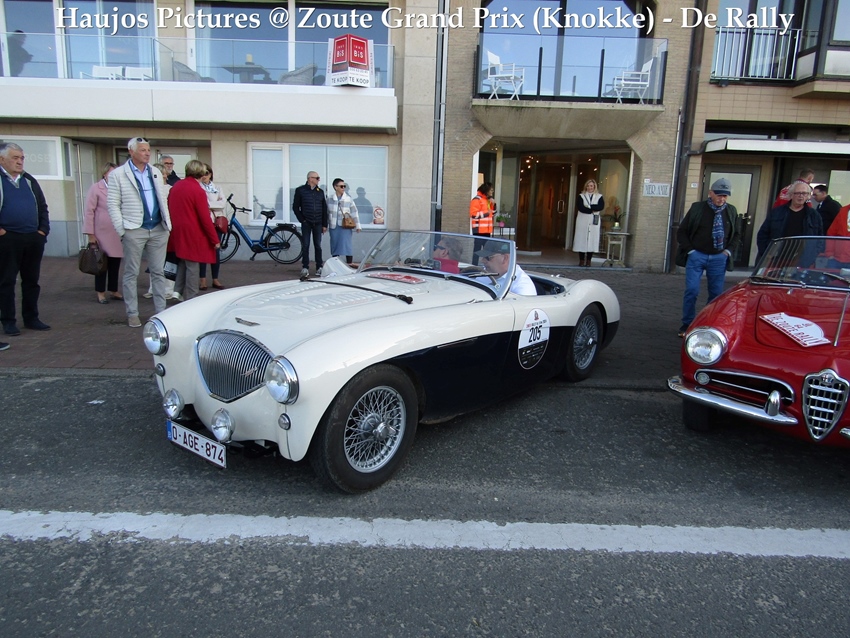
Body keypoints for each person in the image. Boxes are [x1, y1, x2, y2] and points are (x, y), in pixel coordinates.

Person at [108, 136, 172, 328]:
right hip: (134, 228)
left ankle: (161, 313)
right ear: (131, 151)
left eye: (148, 150)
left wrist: (168, 225)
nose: (147, 153)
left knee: (158, 272)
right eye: (143, 150)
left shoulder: (155, 172)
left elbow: (162, 199)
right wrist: (122, 230)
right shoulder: (118, 174)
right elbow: (113, 204)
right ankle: (132, 314)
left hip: (158, 228)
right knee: (131, 272)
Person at [676, 178, 741, 338]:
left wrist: (728, 251)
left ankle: (708, 323)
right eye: (719, 195)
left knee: (716, 294)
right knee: (692, 290)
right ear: (710, 193)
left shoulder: (731, 211)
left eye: (725, 196)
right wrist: (690, 250)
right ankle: (687, 324)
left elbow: (737, 234)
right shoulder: (698, 208)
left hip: (719, 257)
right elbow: (682, 231)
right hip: (697, 255)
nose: (721, 199)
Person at [0, 142, 51, 337]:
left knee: (31, 281)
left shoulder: (29, 180)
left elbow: (42, 206)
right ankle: (8, 321)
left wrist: (42, 231)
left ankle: (31, 318)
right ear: (2, 159)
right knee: (6, 281)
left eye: (22, 158)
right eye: (15, 158)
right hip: (8, 239)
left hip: (32, 238)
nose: (20, 161)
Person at [166, 160, 220, 301]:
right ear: (201, 173)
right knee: (192, 265)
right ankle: (191, 298)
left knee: (183, 261)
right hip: (193, 232)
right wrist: (214, 239)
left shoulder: (176, 187)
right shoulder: (197, 191)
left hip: (177, 229)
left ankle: (177, 291)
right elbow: (205, 218)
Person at [83, 162, 123, 304]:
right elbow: (89, 211)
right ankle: (100, 292)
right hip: (101, 233)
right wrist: (90, 234)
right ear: (105, 174)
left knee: (115, 263)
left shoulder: (120, 188)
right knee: (101, 263)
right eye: (111, 173)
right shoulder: (96, 188)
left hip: (117, 232)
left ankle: (113, 289)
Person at [756, 182, 823, 264]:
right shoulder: (777, 212)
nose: (801, 196)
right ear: (791, 195)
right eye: (797, 193)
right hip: (776, 258)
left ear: (808, 196)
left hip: (803, 260)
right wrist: (766, 253)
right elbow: (762, 234)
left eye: (804, 193)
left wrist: (812, 256)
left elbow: (820, 239)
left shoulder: (814, 215)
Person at [292, 170, 328, 279]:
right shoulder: (300, 190)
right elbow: (295, 207)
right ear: (310, 179)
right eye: (317, 178)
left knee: (318, 245)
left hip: (318, 222)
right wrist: (302, 220)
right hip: (306, 222)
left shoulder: (320, 192)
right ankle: (305, 267)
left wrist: (324, 224)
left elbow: (324, 208)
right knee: (306, 245)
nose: (318, 180)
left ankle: (319, 267)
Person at [199, 164, 225, 289]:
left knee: (216, 251)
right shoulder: (198, 187)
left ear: (210, 174)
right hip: (204, 222)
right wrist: (214, 203)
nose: (204, 176)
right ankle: (202, 280)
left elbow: (223, 203)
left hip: (216, 223)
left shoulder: (217, 187)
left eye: (207, 173)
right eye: (202, 173)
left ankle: (215, 279)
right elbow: (201, 204)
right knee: (203, 251)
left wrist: (209, 204)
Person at [327, 178, 360, 264]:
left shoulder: (348, 199)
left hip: (346, 226)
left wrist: (358, 225)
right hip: (334, 225)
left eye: (344, 186)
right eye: (341, 186)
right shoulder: (329, 199)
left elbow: (354, 212)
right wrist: (324, 226)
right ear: (335, 187)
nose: (343, 188)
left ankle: (349, 264)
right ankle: (336, 264)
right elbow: (326, 212)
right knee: (335, 245)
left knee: (347, 245)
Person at [573, 179, 604, 267]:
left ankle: (589, 260)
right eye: (588, 186)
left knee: (592, 240)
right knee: (581, 239)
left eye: (591, 186)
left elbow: (600, 207)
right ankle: (581, 260)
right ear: (586, 187)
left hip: (593, 221)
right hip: (582, 220)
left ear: (594, 187)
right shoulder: (581, 196)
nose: (590, 187)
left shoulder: (599, 196)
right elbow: (581, 207)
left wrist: (589, 206)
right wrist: (592, 209)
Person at [469, 182, 495, 265]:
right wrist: (487, 213)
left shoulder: (486, 200)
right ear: (486, 190)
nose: (492, 191)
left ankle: (488, 266)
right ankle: (474, 266)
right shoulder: (476, 199)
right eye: (491, 190)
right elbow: (473, 214)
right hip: (479, 230)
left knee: (487, 250)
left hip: (486, 230)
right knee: (477, 250)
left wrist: (493, 204)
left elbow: (491, 213)